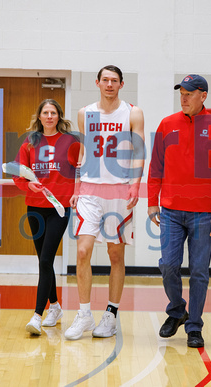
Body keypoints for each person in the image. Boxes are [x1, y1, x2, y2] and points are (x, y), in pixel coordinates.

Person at [147, 74, 211, 348]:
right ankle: (177, 310)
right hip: (170, 210)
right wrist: (152, 201)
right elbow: (155, 167)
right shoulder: (167, 125)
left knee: (198, 271)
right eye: (181, 93)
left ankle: (194, 325)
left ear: (203, 95)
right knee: (169, 266)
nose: (183, 98)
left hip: (204, 214)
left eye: (189, 93)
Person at [65, 65, 145, 340]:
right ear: (97, 82)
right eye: (105, 80)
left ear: (121, 84)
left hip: (119, 192)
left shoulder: (133, 112)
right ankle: (84, 314)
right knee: (83, 252)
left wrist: (135, 184)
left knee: (115, 255)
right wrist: (77, 186)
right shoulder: (85, 114)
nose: (109, 84)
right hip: (89, 191)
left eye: (114, 81)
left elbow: (139, 151)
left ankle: (110, 314)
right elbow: (84, 152)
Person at [15, 99, 80, 335]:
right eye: (46, 112)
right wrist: (27, 185)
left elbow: (81, 169)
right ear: (40, 117)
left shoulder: (70, 142)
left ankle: (36, 316)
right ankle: (55, 306)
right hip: (34, 207)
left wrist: (78, 193)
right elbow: (17, 169)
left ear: (59, 116)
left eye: (54, 112)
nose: (50, 116)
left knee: (45, 260)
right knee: (44, 260)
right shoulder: (30, 142)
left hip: (59, 208)